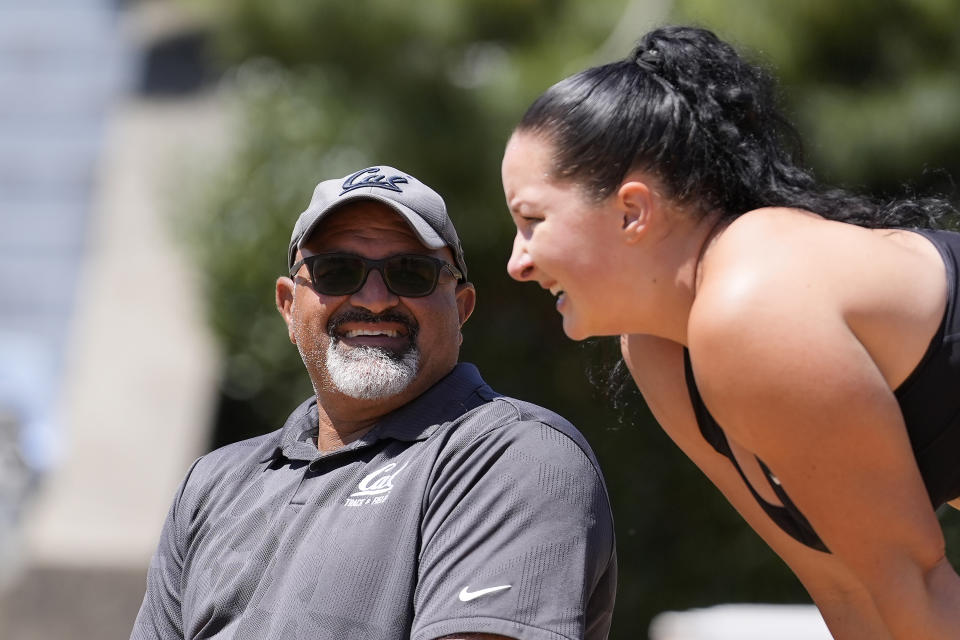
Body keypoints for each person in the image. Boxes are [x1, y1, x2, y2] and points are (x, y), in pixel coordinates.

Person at [501, 25, 960, 640]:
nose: (517, 262)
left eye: (532, 221)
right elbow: (848, 589)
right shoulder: (659, 347)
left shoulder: (755, 306)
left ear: (632, 210)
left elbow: (918, 588)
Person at [131, 165, 617, 640]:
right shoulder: (211, 485)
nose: (377, 298)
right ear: (287, 305)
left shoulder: (513, 457)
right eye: (336, 270)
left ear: (462, 307)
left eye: (412, 272)